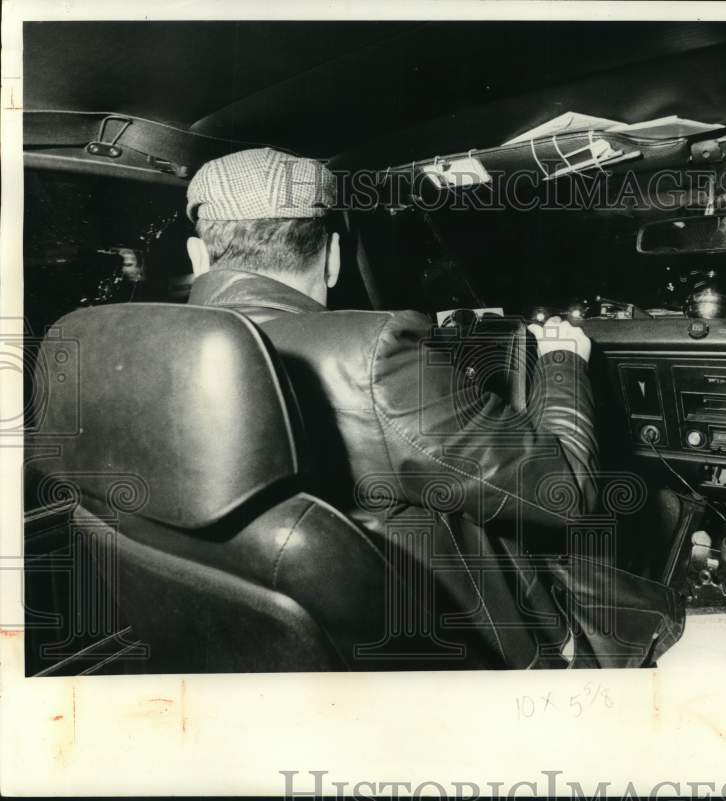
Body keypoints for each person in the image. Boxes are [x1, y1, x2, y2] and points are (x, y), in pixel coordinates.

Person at [184, 148, 683, 669]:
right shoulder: (371, 352)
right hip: (469, 661)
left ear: (198, 255)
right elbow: (565, 491)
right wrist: (562, 363)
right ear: (332, 257)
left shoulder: (130, 349)